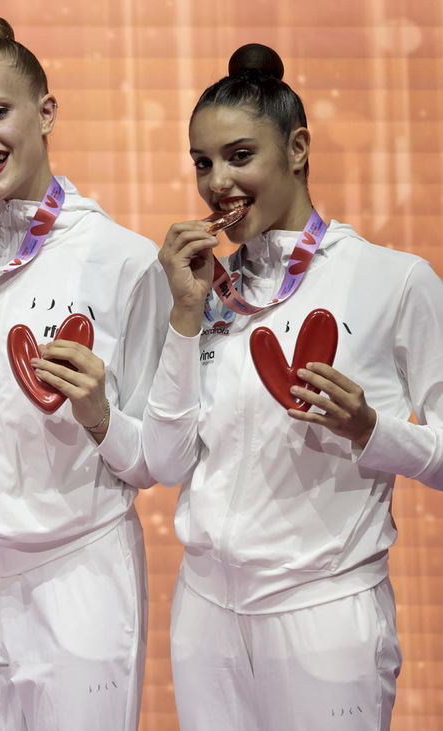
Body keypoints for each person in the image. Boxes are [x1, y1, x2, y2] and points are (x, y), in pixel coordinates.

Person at [145, 43, 443, 730]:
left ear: (299, 147)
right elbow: (164, 462)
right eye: (202, 162)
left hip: (325, 618)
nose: (216, 181)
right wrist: (184, 318)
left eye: (239, 156)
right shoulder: (206, 292)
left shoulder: (392, 279)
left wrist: (371, 429)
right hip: (205, 620)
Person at [0, 14, 169, 730]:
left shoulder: (121, 259)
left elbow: (150, 462)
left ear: (46, 112)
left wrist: (100, 412)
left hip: (78, 575)